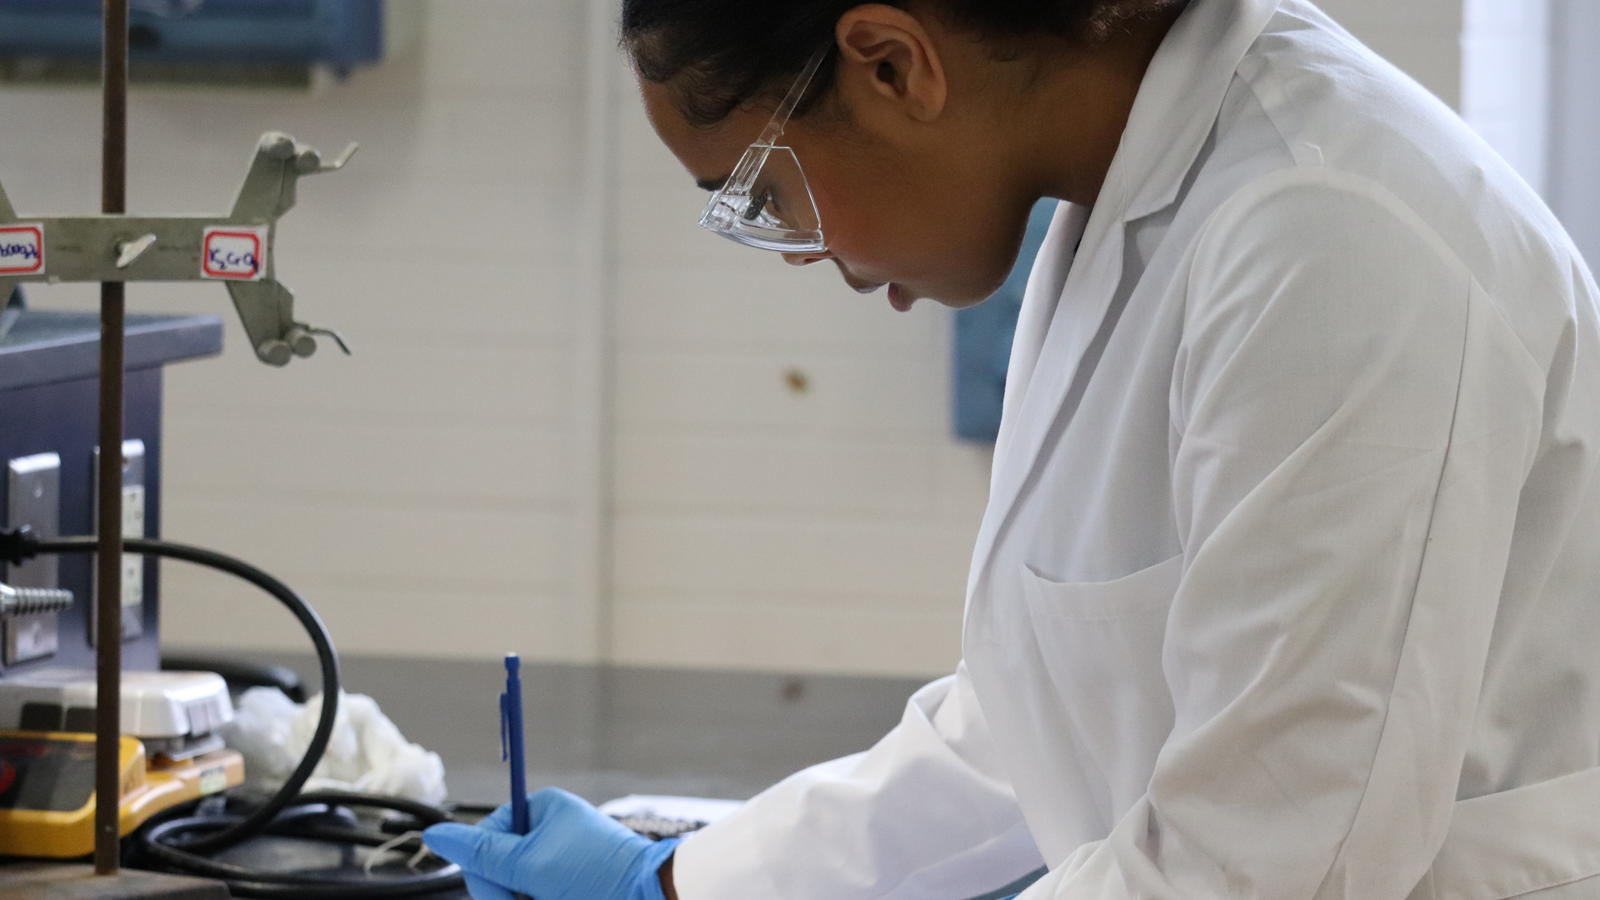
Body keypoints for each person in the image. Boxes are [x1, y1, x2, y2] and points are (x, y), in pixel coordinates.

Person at [423, 0, 1600, 897]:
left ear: (892, 62)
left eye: (761, 194)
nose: (793, 250)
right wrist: (686, 880)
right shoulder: (1132, 204)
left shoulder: (1331, 233)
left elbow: (1269, 858)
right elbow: (1039, 719)